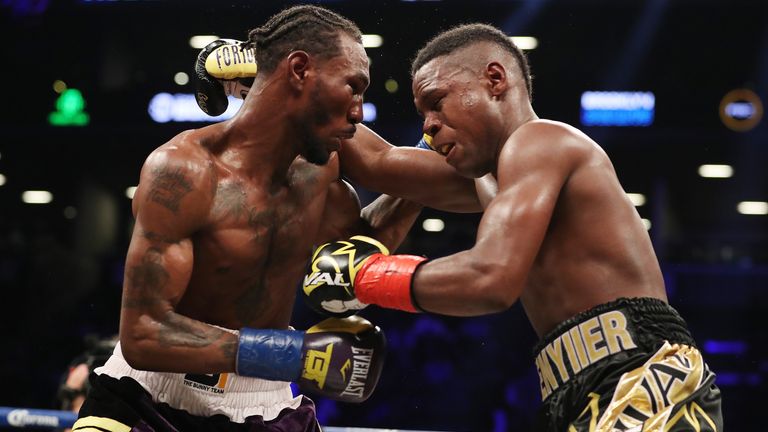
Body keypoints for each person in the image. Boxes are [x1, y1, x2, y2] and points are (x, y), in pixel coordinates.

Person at [74, 6, 480, 432]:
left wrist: (527, 155)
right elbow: (143, 333)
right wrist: (292, 354)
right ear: (301, 69)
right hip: (146, 400)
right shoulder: (184, 171)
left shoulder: (326, 156)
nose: (359, 112)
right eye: (353, 87)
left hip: (264, 406)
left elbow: (368, 237)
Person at [303, 23, 723, 431]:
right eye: (423, 112)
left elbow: (490, 278)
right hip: (582, 386)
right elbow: (379, 163)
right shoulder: (493, 180)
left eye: (437, 101)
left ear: (495, 80)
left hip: (642, 376)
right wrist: (296, 86)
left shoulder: (541, 141)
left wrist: (367, 276)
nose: (427, 125)